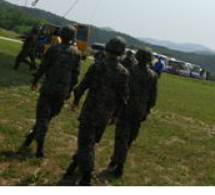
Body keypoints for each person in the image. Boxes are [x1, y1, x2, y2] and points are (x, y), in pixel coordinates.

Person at [64, 37, 129, 186]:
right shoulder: (124, 73)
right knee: (90, 143)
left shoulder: (97, 66)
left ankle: (86, 177)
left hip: (90, 111)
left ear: (107, 48)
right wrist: (115, 115)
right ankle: (73, 166)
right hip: (104, 116)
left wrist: (76, 100)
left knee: (85, 143)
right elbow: (123, 97)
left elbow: (83, 86)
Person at [21, 25, 81, 158]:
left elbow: (43, 67)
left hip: (48, 89)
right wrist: (70, 90)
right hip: (61, 92)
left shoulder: (53, 49)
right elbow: (75, 75)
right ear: (72, 37)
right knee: (47, 117)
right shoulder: (76, 54)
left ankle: (39, 148)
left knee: (43, 118)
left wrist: (35, 80)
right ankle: (31, 138)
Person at [106, 48, 159, 177]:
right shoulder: (153, 76)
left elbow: (122, 91)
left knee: (121, 137)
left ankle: (119, 165)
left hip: (126, 109)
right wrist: (146, 111)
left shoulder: (130, 71)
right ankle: (116, 160)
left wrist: (115, 109)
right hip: (139, 112)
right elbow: (153, 97)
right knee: (129, 138)